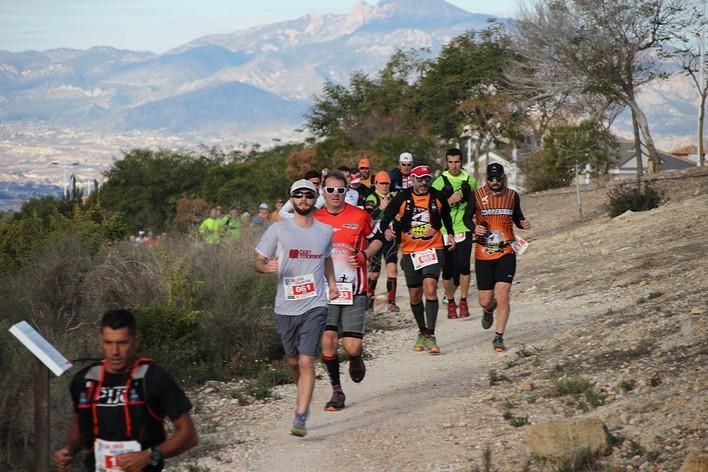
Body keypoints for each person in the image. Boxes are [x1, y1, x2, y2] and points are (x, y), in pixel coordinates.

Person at [53, 309, 198, 472]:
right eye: (108, 343)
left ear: (136, 341)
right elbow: (79, 424)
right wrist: (68, 450)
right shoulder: (85, 379)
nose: (115, 352)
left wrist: (149, 456)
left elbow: (189, 435)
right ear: (100, 341)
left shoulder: (154, 377)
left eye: (122, 343)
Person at [255, 179, 338, 437]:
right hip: (285, 305)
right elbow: (259, 259)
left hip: (315, 303)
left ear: (315, 199)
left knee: (306, 360)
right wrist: (264, 267)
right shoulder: (279, 229)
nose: (304, 199)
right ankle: (302, 391)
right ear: (292, 199)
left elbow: (327, 261)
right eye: (299, 195)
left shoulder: (325, 231)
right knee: (293, 360)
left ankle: (301, 415)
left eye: (309, 195)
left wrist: (332, 285)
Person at [313, 170, 382, 412]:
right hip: (325, 291)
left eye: (340, 190)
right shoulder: (316, 219)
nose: (335, 194)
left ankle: (355, 359)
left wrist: (365, 255)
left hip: (354, 288)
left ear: (346, 192)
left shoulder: (360, 216)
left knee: (352, 347)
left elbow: (378, 239)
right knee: (328, 341)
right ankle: (337, 392)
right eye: (330, 190)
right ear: (323, 191)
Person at [379, 165, 455, 354]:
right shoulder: (402, 197)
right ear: (412, 178)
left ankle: (431, 334)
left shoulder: (437, 196)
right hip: (410, 250)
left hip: (433, 248)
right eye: (419, 179)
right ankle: (421, 331)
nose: (423, 183)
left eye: (426, 179)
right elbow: (385, 217)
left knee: (430, 288)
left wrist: (450, 234)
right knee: (415, 295)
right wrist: (386, 229)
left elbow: (446, 216)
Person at [463, 163, 531, 352]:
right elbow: (466, 219)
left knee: (503, 294)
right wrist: (473, 227)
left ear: (503, 178)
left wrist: (523, 223)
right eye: (491, 179)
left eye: (497, 179)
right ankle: (487, 309)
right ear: (487, 179)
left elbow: (518, 217)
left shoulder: (512, 195)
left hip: (506, 251)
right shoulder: (477, 195)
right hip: (484, 253)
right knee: (485, 300)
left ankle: (498, 337)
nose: (494, 182)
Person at [431, 148, 478, 320]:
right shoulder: (439, 182)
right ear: (446, 162)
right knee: (448, 270)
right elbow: (432, 207)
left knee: (464, 267)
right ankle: (451, 301)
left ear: (462, 161)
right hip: (445, 230)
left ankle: (464, 301)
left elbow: (475, 203)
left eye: (457, 161)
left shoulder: (470, 180)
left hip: (463, 228)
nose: (454, 165)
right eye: (450, 162)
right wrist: (449, 201)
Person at [364, 171, 400, 313]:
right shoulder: (371, 197)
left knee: (392, 269)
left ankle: (391, 303)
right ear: (376, 184)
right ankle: (369, 300)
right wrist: (380, 208)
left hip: (391, 236)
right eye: (382, 183)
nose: (385, 186)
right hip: (376, 237)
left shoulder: (393, 197)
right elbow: (366, 217)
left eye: (387, 183)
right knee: (374, 273)